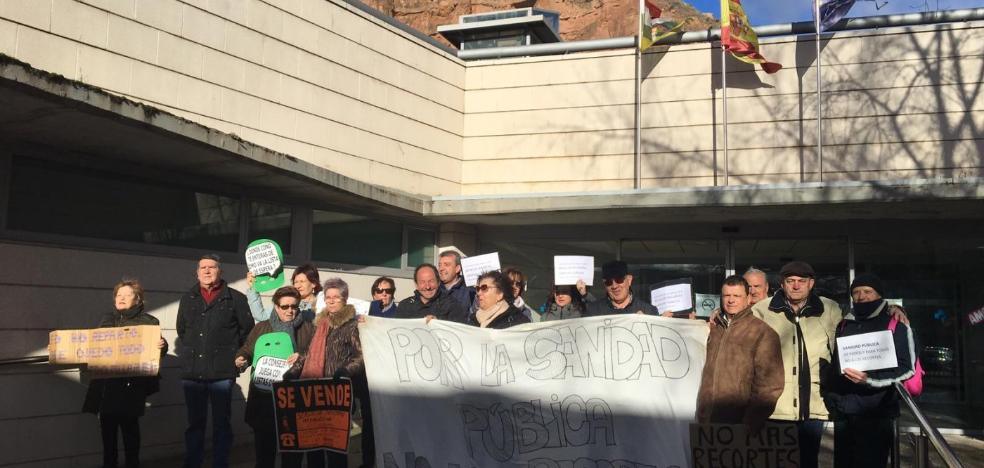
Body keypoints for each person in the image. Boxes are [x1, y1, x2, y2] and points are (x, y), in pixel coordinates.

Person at [751, 261, 842, 468]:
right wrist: (718, 315)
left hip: (814, 405)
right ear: (782, 284)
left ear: (811, 284)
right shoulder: (762, 310)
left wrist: (891, 309)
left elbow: (853, 332)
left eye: (802, 281)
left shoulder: (829, 309)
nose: (796, 286)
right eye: (790, 281)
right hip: (775, 406)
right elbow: (739, 331)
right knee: (776, 462)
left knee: (808, 462)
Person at [823, 274, 916, 468]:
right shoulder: (844, 324)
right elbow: (837, 363)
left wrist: (870, 380)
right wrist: (833, 397)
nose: (861, 297)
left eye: (867, 291)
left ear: (879, 295)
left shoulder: (896, 323)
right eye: (856, 292)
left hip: (877, 413)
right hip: (845, 411)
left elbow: (907, 369)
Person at [176, 254, 254, 468]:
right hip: (193, 372)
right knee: (195, 424)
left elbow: (248, 332)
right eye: (203, 267)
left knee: (222, 424)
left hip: (222, 372)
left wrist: (238, 355)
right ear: (197, 272)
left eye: (212, 267)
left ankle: (220, 463)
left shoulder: (236, 299)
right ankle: (193, 463)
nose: (207, 271)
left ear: (220, 271)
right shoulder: (187, 298)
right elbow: (182, 331)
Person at [83, 279, 167, 468]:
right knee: (108, 436)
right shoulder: (108, 319)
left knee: (130, 434)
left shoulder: (149, 322)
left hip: (132, 386)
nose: (121, 298)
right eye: (118, 295)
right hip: (107, 386)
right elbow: (99, 344)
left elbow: (157, 348)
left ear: (138, 299)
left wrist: (162, 345)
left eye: (126, 295)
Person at [234, 286, 316, 468]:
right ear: (276, 306)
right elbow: (248, 349)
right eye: (285, 306)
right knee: (264, 452)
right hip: (265, 399)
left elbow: (316, 355)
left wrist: (301, 356)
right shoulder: (262, 328)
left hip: (295, 400)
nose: (290, 310)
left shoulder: (308, 328)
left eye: (294, 306)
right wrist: (242, 359)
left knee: (292, 454)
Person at [289, 278, 364, 468]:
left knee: (334, 447)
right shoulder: (320, 323)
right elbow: (308, 353)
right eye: (328, 297)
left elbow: (360, 356)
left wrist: (344, 371)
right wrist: (293, 371)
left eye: (335, 297)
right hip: (314, 392)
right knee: (313, 444)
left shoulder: (352, 325)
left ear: (344, 299)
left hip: (336, 393)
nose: (331, 301)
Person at [696, 275, 783, 432]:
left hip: (739, 424)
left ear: (748, 298)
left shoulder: (762, 332)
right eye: (726, 295)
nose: (731, 300)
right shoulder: (712, 329)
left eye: (737, 296)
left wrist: (750, 422)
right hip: (706, 421)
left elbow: (770, 386)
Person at [246, 264, 322, 322]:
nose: (298, 286)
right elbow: (261, 316)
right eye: (295, 282)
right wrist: (253, 288)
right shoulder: (287, 302)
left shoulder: (323, 303)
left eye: (302, 281)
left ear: (313, 283)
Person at [579, 260, 658, 316]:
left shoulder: (649, 311)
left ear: (629, 280)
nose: (614, 286)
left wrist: (646, 323)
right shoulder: (593, 311)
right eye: (608, 282)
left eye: (619, 280)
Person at [396, 264, 469, 323]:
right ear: (416, 285)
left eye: (431, 281)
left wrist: (439, 324)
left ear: (438, 282)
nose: (427, 287)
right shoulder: (405, 306)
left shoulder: (452, 306)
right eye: (422, 282)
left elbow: (458, 333)